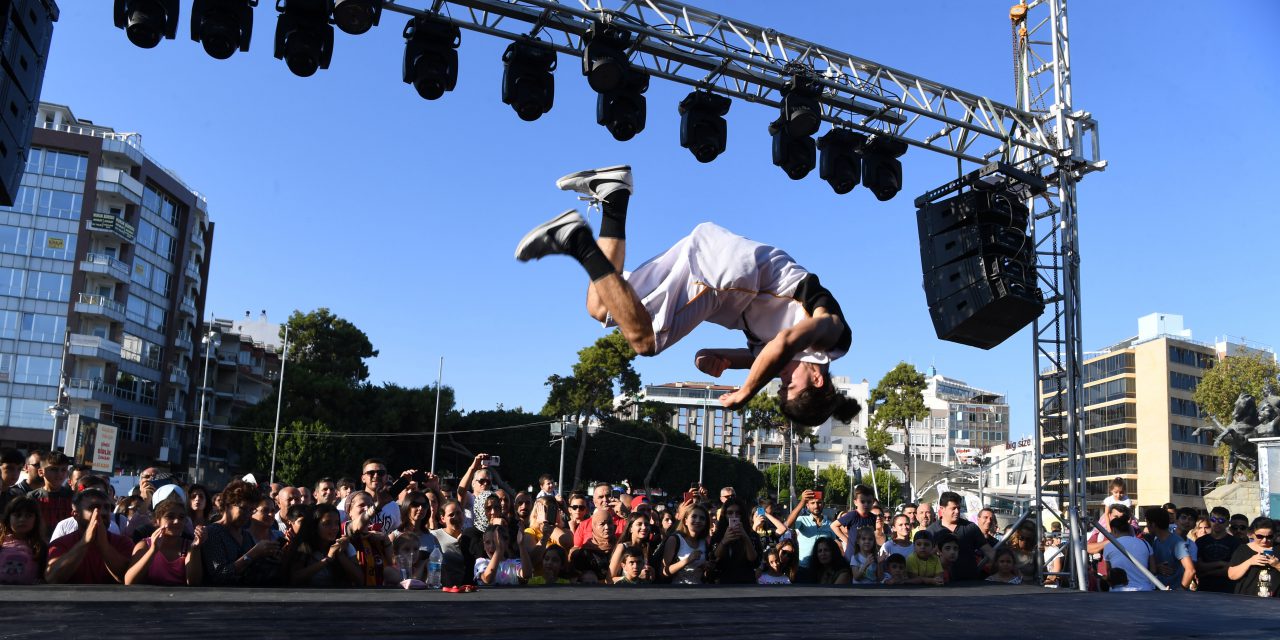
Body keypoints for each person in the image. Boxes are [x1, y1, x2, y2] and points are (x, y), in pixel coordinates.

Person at [515, 165, 859, 427]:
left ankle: (614, 196)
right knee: (645, 342)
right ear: (816, 377)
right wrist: (745, 392)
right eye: (790, 385)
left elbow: (759, 356)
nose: (781, 379)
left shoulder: (785, 355)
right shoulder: (831, 337)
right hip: (728, 273)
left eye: (779, 385)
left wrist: (710, 356)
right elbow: (782, 344)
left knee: (602, 306)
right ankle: (577, 239)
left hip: (717, 265)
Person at [45, 489, 133, 584]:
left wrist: (104, 545)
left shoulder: (123, 543)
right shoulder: (60, 544)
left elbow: (127, 577)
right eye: (94, 508)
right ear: (75, 514)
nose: (103, 512)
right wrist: (84, 543)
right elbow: (52, 578)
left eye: (107, 508)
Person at [202, 480, 281, 586]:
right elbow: (220, 576)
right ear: (227, 505)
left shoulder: (245, 535)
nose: (248, 514)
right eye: (243, 509)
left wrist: (272, 557)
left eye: (251, 510)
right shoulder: (213, 532)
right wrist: (253, 553)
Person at [124, 499, 203, 586]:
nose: (177, 521)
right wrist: (153, 551)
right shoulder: (144, 545)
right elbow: (129, 581)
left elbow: (194, 583)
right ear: (158, 521)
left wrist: (195, 549)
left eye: (181, 517)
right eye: (170, 516)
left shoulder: (189, 546)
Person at [926, 491, 993, 581]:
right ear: (942, 509)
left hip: (970, 583)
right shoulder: (931, 531)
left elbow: (989, 551)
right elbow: (925, 558)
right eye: (953, 508)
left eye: (958, 508)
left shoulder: (970, 527)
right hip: (941, 583)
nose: (957, 511)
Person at [709, 497, 760, 583]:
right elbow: (714, 558)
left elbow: (753, 560)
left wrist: (745, 537)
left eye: (738, 513)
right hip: (723, 583)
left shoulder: (752, 535)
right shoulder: (718, 535)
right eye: (730, 513)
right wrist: (724, 541)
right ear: (724, 515)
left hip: (746, 583)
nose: (734, 516)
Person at [1227, 517, 1279, 597]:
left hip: (1274, 602)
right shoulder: (1243, 549)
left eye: (1269, 537)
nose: (1264, 540)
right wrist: (1250, 561)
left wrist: (1277, 565)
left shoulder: (1278, 549)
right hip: (1247, 600)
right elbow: (1232, 575)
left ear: (1274, 535)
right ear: (1252, 534)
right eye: (1260, 536)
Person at [1145, 507, 1194, 590]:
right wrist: (1157, 568)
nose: (1146, 526)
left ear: (1153, 524)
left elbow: (1190, 570)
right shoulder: (1156, 541)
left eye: (1147, 522)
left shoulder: (1177, 543)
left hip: (1174, 598)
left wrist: (1180, 590)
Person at [432, 500, 476, 592]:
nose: (455, 517)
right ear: (443, 518)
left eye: (458, 513)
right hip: (442, 589)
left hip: (465, 589)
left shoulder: (469, 538)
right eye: (451, 515)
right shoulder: (434, 536)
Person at [1102, 516, 1156, 592]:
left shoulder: (1109, 546)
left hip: (1119, 591)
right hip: (1144, 589)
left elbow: (1108, 572)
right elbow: (1153, 570)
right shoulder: (1145, 543)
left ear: (1113, 530)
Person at [831, 484, 883, 562]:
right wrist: (846, 540)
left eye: (869, 502)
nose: (866, 504)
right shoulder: (852, 515)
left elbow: (872, 536)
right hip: (852, 556)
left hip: (866, 556)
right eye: (862, 501)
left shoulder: (872, 517)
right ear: (855, 502)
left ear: (873, 502)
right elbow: (833, 525)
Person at [0, 496, 45, 584]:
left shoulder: (40, 547)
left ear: (36, 520)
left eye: (28, 516)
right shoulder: (1, 543)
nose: (22, 519)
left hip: (29, 595)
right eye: (17, 515)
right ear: (8, 518)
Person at [25, 451, 73, 535]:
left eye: (63, 470)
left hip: (65, 543)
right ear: (41, 472)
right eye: (54, 469)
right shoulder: (32, 497)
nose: (59, 474)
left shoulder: (72, 496)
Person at [1196, 506, 1241, 593]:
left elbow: (1232, 568)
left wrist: (1207, 573)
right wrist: (1220, 563)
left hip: (1227, 589)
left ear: (1228, 523)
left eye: (1221, 521)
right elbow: (1199, 566)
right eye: (1213, 520)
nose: (1216, 523)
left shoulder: (1235, 542)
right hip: (1204, 588)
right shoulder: (1201, 541)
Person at [663, 503, 710, 584]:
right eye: (694, 516)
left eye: (702, 518)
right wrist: (687, 560)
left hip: (700, 591)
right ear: (685, 521)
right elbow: (664, 572)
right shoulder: (675, 539)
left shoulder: (704, 542)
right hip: (679, 592)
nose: (698, 520)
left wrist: (706, 567)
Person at [785, 489, 828, 569]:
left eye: (819, 502)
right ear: (807, 505)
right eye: (812, 503)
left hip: (824, 570)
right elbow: (788, 524)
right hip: (804, 568)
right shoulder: (802, 520)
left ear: (823, 504)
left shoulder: (830, 524)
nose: (816, 506)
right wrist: (802, 501)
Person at [609, 511, 656, 581]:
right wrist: (633, 577)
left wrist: (651, 573)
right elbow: (609, 579)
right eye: (639, 524)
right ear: (630, 528)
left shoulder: (647, 547)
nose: (644, 527)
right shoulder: (622, 547)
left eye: (646, 524)